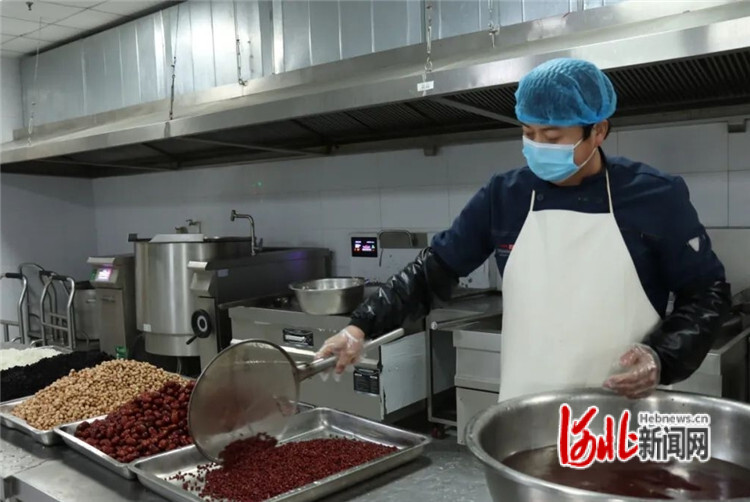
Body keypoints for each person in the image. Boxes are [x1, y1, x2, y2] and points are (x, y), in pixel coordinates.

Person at [315, 58, 731, 402]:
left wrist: (662, 357)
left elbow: (706, 292)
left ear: (599, 130)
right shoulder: (505, 195)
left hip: (620, 414)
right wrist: (359, 327)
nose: (537, 146)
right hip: (526, 412)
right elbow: (432, 270)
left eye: (553, 136)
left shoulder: (655, 196)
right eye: (529, 133)